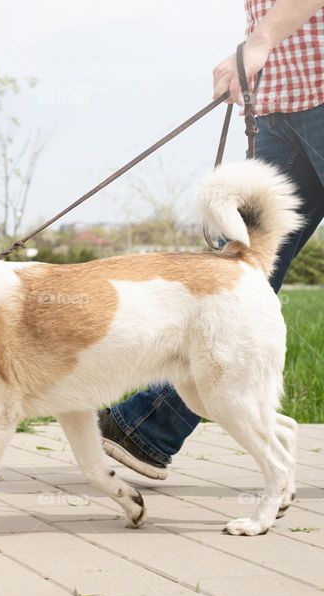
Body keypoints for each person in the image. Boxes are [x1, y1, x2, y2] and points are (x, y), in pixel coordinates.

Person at [100, 0, 324, 480]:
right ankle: (145, 429)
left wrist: (258, 43)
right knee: (237, 273)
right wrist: (253, 60)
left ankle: (145, 427)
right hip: (279, 98)